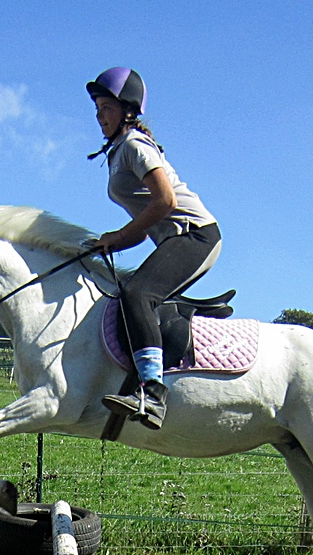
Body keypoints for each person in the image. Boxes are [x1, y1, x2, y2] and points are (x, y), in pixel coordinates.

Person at [87, 67, 222, 430]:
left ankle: (153, 395)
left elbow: (164, 201)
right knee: (131, 294)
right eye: (97, 109)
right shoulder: (118, 152)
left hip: (196, 235)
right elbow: (146, 227)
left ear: (128, 110)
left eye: (106, 108)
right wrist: (111, 240)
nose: (100, 116)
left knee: (137, 295)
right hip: (178, 237)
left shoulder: (134, 145)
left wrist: (119, 235)